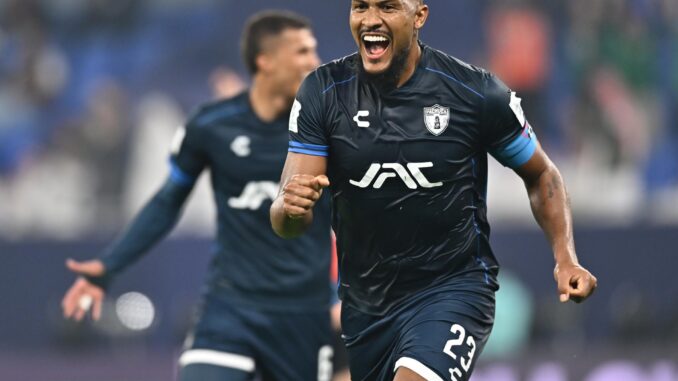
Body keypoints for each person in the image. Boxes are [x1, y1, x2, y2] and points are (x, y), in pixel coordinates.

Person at [270, 1, 598, 381]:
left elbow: (542, 174)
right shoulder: (323, 93)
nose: (371, 19)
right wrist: (289, 209)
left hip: (452, 290)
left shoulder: (475, 94)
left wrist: (565, 257)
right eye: (360, 7)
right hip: (366, 306)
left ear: (419, 16)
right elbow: (287, 219)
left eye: (388, 7)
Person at [61, 11, 336, 381]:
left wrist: (345, 296)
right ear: (265, 61)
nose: (313, 63)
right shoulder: (212, 125)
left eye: (313, 51)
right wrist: (110, 266)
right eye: (301, 52)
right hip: (230, 308)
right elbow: (166, 202)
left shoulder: (329, 131)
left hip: (303, 314)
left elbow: (354, 221)